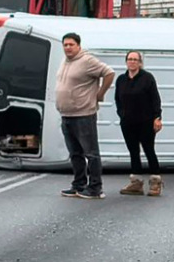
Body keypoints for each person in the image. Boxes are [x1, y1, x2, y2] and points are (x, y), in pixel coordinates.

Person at [56, 33, 115, 200]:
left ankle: (95, 188)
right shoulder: (65, 61)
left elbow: (109, 73)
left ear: (78, 46)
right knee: (75, 153)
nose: (68, 47)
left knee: (91, 153)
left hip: (83, 114)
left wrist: (100, 93)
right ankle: (79, 184)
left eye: (71, 44)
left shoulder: (87, 61)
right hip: (66, 114)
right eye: (65, 44)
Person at [114, 51, 164, 197]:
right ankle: (136, 182)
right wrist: (121, 114)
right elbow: (118, 99)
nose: (132, 62)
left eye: (135, 60)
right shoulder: (121, 79)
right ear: (126, 62)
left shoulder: (147, 78)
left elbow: (155, 99)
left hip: (146, 121)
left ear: (140, 63)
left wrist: (157, 117)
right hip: (128, 121)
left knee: (149, 150)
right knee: (133, 151)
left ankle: (155, 181)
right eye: (130, 59)